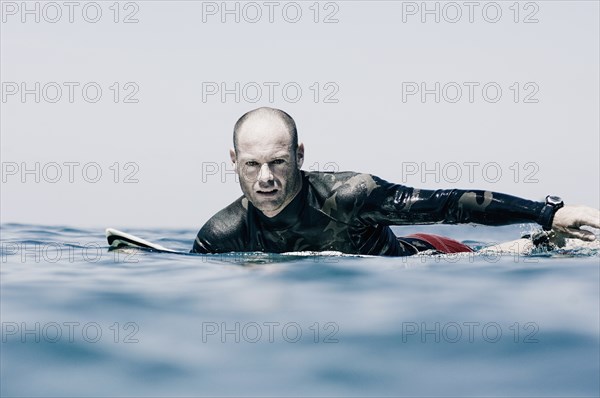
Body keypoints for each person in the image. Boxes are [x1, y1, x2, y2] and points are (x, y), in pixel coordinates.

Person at [192, 107, 600, 256]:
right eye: (252, 165)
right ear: (233, 161)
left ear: (300, 156)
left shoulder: (349, 197)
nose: (265, 179)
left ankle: (546, 238)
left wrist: (550, 213)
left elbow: (448, 204)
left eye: (278, 162)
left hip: (433, 258)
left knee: (515, 253)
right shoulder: (221, 234)